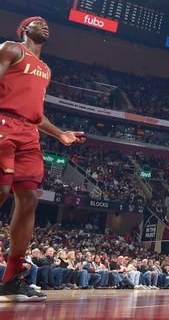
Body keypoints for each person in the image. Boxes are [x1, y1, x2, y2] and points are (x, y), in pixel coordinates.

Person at [0, 17, 86, 301]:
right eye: (38, 22)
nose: (45, 25)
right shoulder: (12, 49)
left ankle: (11, 279)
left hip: (29, 133)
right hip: (4, 123)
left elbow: (36, 112)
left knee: (30, 199)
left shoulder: (46, 69)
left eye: (48, 23)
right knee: (1, 191)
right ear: (24, 29)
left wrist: (60, 134)